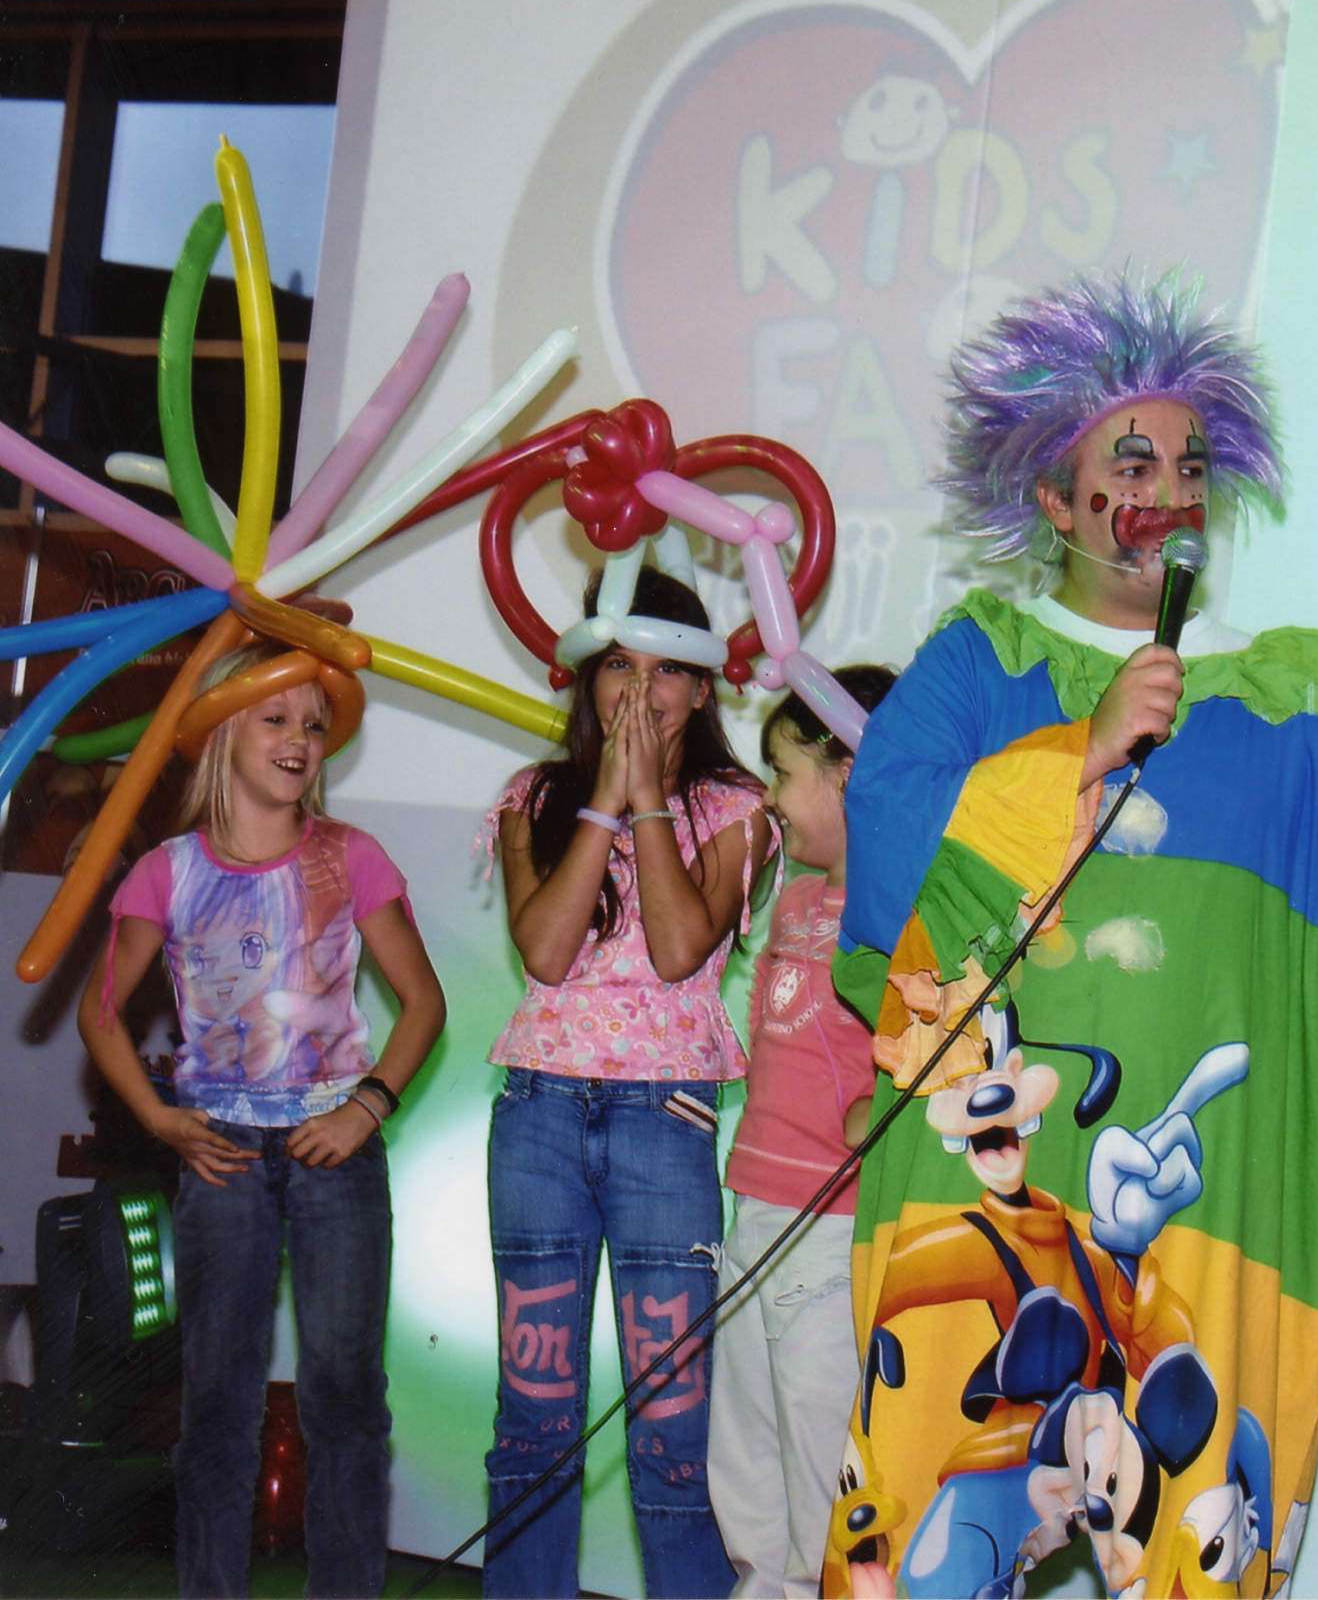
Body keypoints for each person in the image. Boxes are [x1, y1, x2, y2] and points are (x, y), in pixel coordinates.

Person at [826, 274, 1318, 1595]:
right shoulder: (980, 661)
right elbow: (890, 853)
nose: (1170, 494)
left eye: (1191, 468)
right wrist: (1080, 748)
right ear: (1056, 501)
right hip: (991, 1181)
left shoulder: (1290, 711)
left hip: (1210, 1187)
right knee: (933, 1512)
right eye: (1132, 464)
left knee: (1193, 1523)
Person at [80, 646, 446, 1598]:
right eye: (275, 719)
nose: (299, 740)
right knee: (217, 1399)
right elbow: (100, 1013)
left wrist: (366, 1109)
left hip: (336, 1150)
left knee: (345, 1396)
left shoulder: (351, 855)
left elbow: (423, 1003)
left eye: (314, 725)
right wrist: (161, 1120)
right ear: (222, 729)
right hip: (220, 1157)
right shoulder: (166, 871)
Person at [481, 567, 771, 1599]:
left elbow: (683, 947)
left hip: (666, 1119)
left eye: (665, 670)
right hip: (539, 1114)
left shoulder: (737, 807)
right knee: (535, 1407)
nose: (639, 692)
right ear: (586, 679)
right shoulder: (535, 798)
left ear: (702, 687)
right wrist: (601, 801)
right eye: (618, 666)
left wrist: (648, 798)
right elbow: (546, 952)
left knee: (671, 1420)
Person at [708, 665, 896, 1598]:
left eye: (785, 773)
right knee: (745, 1454)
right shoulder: (793, 895)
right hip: (754, 1206)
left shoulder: (900, 911)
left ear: (850, 774)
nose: (773, 798)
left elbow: (941, 1042)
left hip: (829, 1228)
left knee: (820, 1457)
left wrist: (886, 1101)